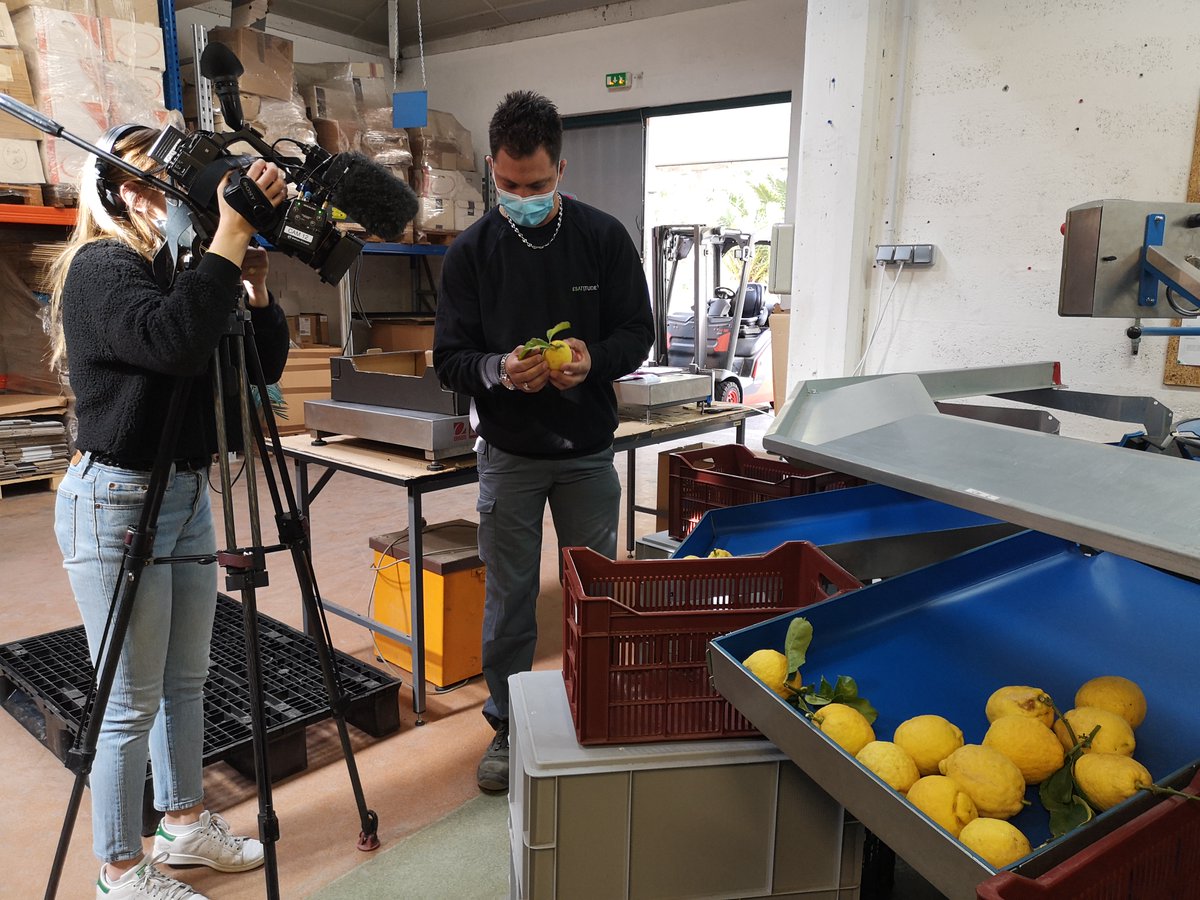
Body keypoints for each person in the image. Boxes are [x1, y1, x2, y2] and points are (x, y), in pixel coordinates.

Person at [47, 126, 291, 900]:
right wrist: (222, 244)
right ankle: (119, 868)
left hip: (182, 493)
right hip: (117, 497)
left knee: (188, 678)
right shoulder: (102, 268)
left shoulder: (178, 270)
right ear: (125, 191)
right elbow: (176, 342)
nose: (183, 196)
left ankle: (184, 826)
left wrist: (249, 263)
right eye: (165, 181)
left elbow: (262, 360)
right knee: (127, 700)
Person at [433, 90, 655, 793]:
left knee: (596, 589)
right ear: (492, 170)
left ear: (561, 166)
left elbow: (636, 332)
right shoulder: (471, 253)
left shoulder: (603, 238)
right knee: (509, 598)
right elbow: (449, 358)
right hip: (509, 456)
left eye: (537, 185)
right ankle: (507, 725)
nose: (522, 196)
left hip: (588, 452)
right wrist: (497, 371)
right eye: (507, 184)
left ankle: (598, 703)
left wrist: (595, 359)